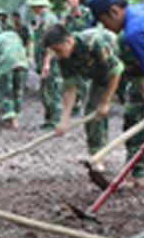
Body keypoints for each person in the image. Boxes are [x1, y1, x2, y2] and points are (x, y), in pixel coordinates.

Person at [84, 0, 144, 182]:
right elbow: (140, 74)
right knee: (135, 111)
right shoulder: (129, 33)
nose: (106, 28)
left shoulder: (133, 33)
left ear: (115, 11)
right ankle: (137, 173)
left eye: (104, 22)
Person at [44, 20, 124, 155]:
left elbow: (115, 71)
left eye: (58, 50)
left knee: (135, 109)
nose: (58, 55)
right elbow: (70, 88)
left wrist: (106, 101)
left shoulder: (93, 42)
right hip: (101, 76)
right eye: (54, 52)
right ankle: (97, 155)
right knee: (92, 112)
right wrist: (64, 120)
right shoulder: (64, 57)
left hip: (125, 68)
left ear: (69, 41)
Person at [22, 0, 63, 128]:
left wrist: (46, 63)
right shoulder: (41, 19)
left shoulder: (48, 19)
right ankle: (49, 119)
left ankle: (56, 121)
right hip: (43, 60)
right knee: (46, 91)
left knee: (53, 90)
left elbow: (53, 44)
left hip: (51, 62)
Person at [0, 15, 29, 127]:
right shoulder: (12, 34)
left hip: (7, 64)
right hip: (23, 62)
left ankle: (12, 121)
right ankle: (15, 116)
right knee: (18, 92)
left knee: (6, 92)